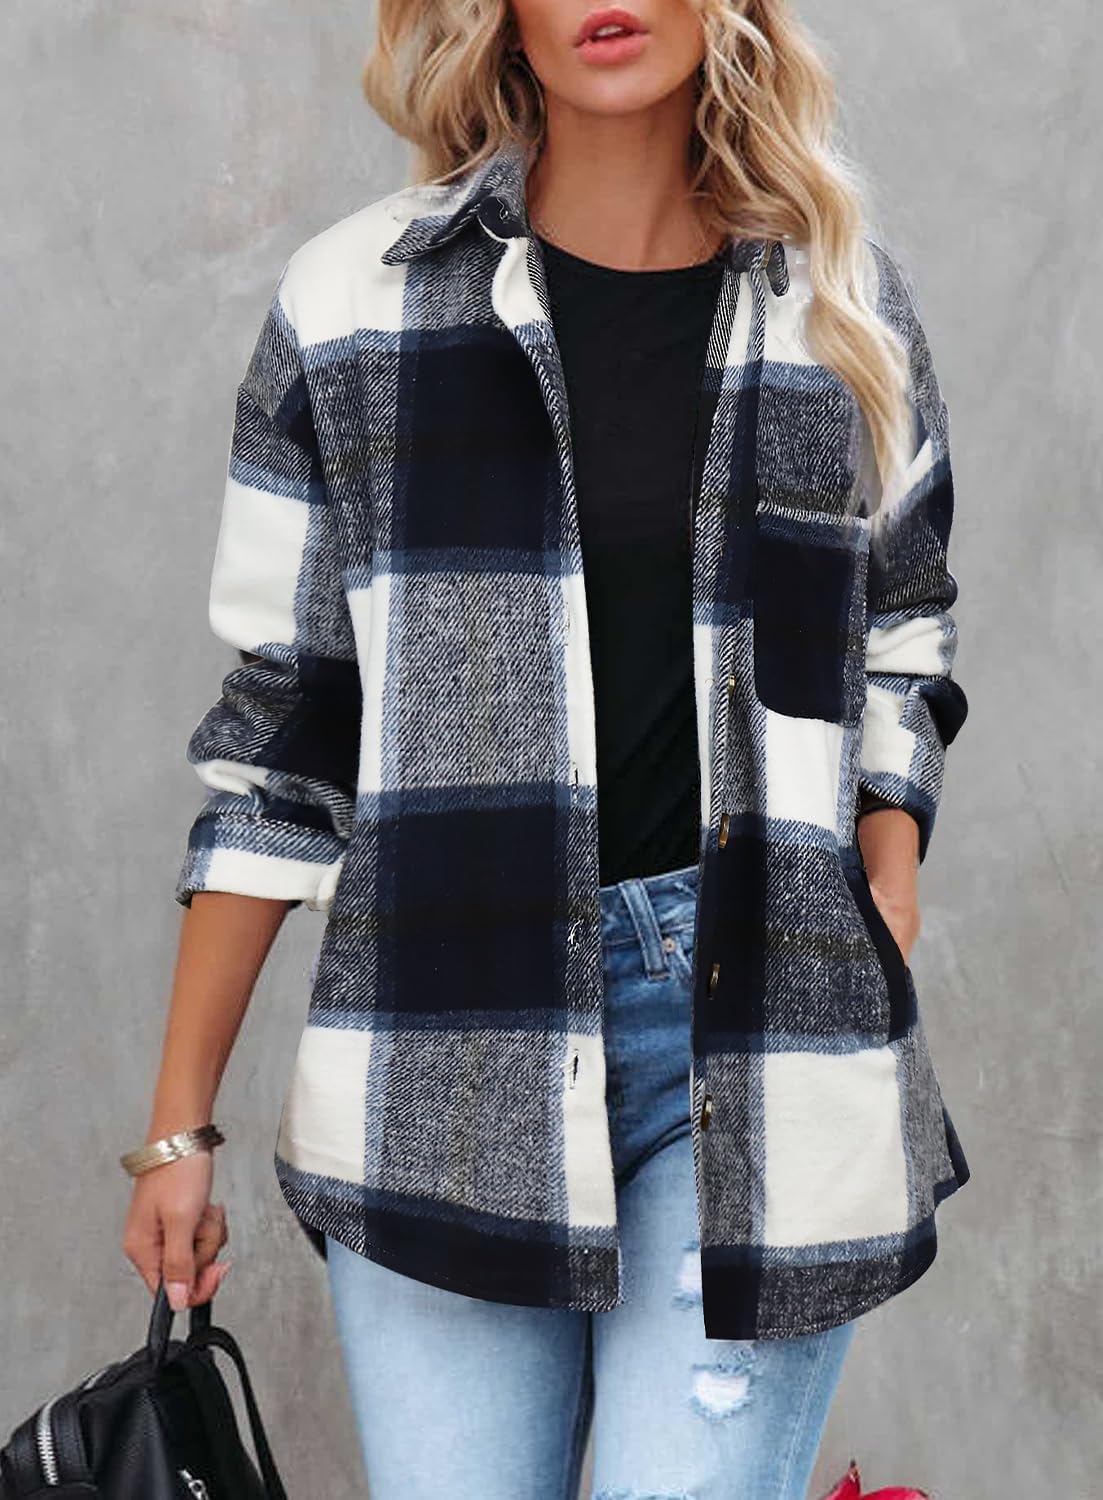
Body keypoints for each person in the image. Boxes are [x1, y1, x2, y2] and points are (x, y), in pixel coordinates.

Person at [122, 3, 971, 1496]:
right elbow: (281, 734)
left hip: (759, 1032)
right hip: (446, 1047)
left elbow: (902, 627)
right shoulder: (354, 309)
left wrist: (884, 872)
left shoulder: (839, 302)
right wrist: (176, 1126)